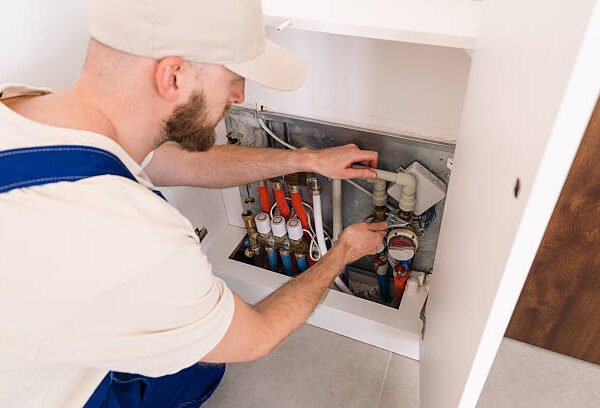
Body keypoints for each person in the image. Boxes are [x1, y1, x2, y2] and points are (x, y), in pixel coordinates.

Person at [0, 0, 386, 406]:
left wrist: (306, 160)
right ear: (174, 75)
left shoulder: (24, 108)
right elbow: (255, 335)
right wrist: (342, 251)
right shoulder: (137, 233)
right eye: (234, 76)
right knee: (203, 369)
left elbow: (175, 162)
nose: (239, 95)